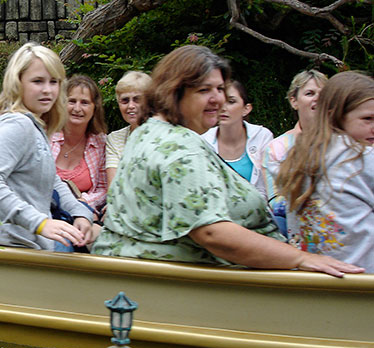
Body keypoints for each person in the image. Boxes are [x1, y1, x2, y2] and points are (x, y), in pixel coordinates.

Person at [92, 45, 363, 277]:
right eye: (204, 90)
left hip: (145, 280)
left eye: (220, 89)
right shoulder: (179, 148)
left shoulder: (150, 131)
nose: (217, 99)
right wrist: (301, 258)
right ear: (174, 91)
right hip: (183, 293)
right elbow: (212, 233)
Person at [0, 43, 93, 252]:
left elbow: (51, 178)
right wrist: (40, 223)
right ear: (17, 83)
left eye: (53, 82)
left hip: (29, 243)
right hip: (8, 247)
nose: (47, 90)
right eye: (38, 81)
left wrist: (79, 212)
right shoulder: (17, 125)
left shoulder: (35, 125)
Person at [277, 71, 374, 270]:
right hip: (361, 280)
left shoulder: (298, 154)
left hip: (310, 278)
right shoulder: (363, 156)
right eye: (368, 119)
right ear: (335, 116)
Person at [262, 70, 328, 231]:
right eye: (310, 93)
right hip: (296, 224)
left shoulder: (344, 141)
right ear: (294, 101)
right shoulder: (277, 147)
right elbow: (275, 200)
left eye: (323, 93)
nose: (317, 98)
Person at [202, 80, 273, 199]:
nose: (223, 108)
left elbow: (268, 188)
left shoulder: (262, 137)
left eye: (231, 101)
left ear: (246, 109)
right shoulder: (203, 141)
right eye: (220, 101)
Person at [50, 75, 108, 215]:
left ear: (95, 108)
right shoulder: (46, 136)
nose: (77, 108)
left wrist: (84, 202)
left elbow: (103, 188)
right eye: (72, 101)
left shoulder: (101, 143)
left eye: (84, 102)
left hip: (83, 213)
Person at [105, 71, 152, 186]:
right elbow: (114, 187)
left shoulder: (165, 136)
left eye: (137, 99)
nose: (131, 106)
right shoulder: (115, 139)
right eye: (125, 100)